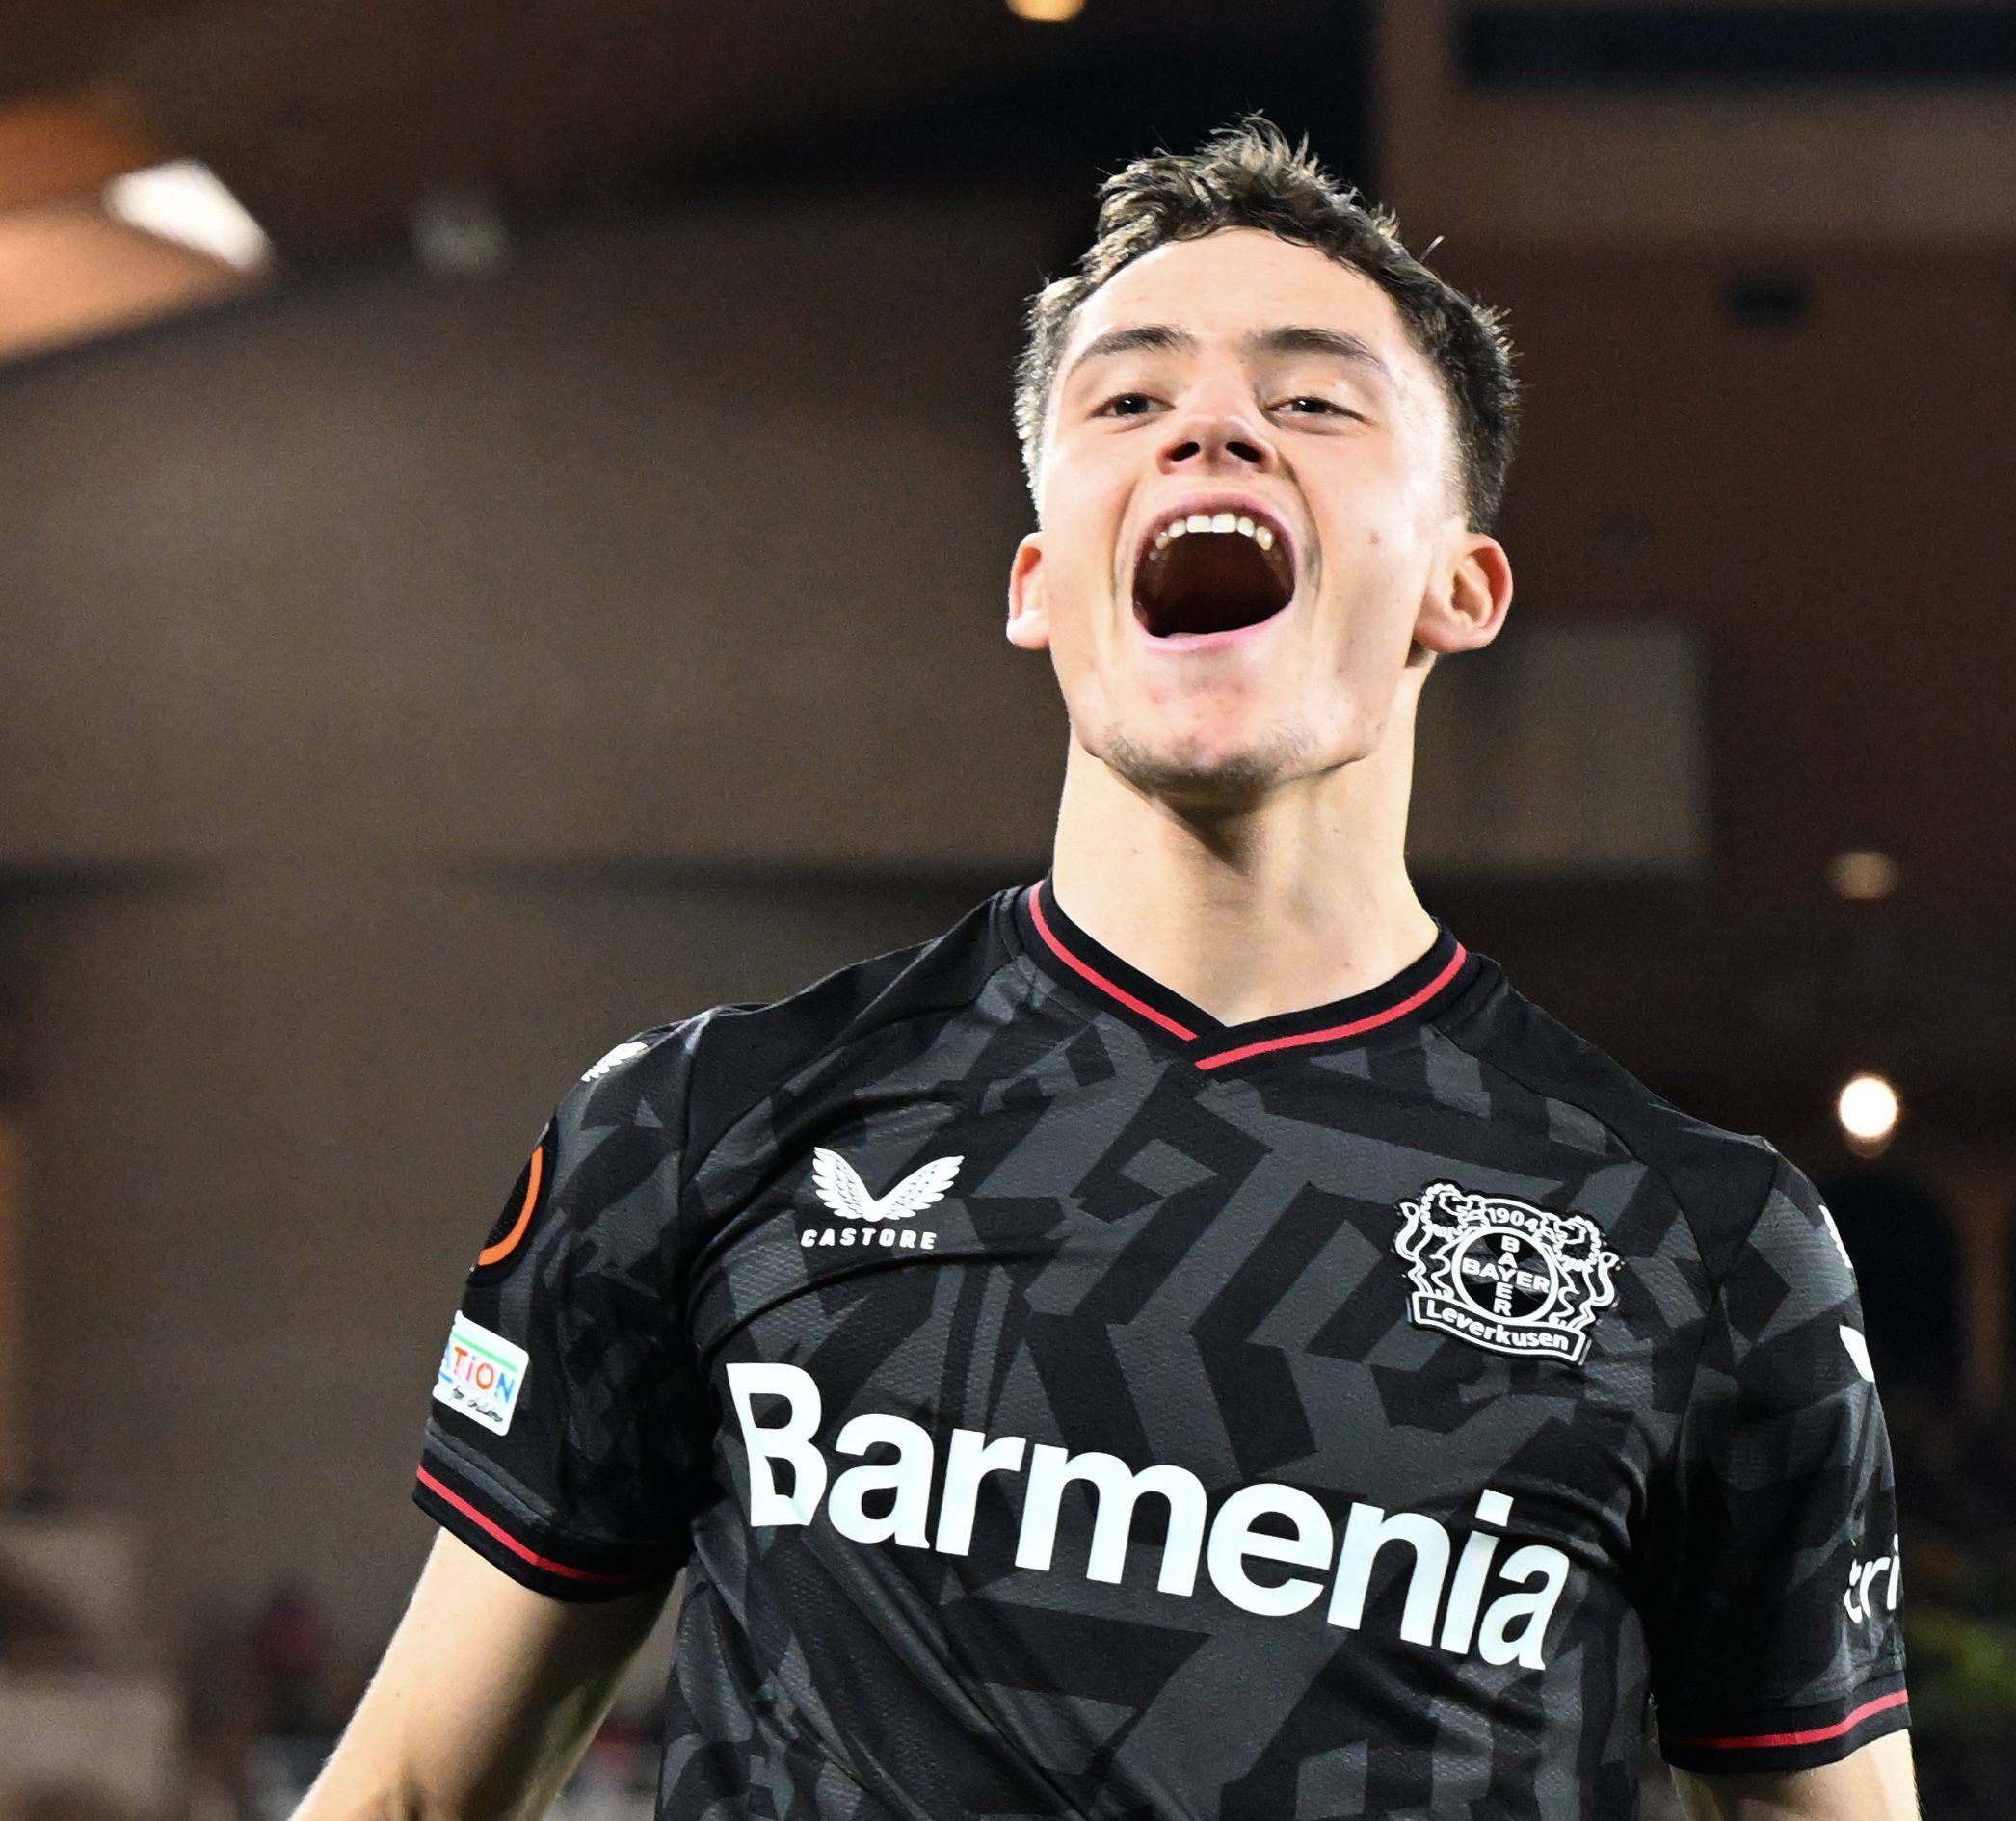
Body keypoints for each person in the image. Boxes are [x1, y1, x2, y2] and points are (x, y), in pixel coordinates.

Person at [296, 116, 1916, 1821]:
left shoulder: (1706, 1246)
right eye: (1130, 401)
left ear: (1462, 584)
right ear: (1037, 578)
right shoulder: (700, 1128)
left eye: (1313, 400)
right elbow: (409, 1787)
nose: (1212, 424)